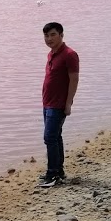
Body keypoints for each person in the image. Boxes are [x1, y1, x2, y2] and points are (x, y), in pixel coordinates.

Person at [40, 22, 79, 188]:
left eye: (53, 35)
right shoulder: (51, 54)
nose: (49, 39)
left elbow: (74, 79)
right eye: (46, 36)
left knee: (49, 137)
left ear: (61, 35)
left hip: (58, 104)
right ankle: (59, 171)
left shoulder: (70, 54)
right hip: (47, 103)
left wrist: (69, 103)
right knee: (56, 137)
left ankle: (53, 174)